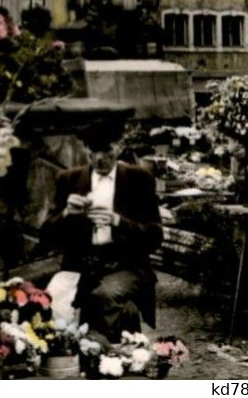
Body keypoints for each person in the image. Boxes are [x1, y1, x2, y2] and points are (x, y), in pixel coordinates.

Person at [44, 123, 162, 342]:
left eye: (106, 151)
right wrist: (67, 213)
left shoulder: (139, 179)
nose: (99, 158)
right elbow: (47, 237)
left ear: (118, 147)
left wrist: (118, 221)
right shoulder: (68, 179)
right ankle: (73, 355)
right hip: (81, 265)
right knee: (49, 299)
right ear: (85, 149)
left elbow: (155, 236)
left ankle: (99, 353)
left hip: (127, 265)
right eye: (93, 151)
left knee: (103, 296)